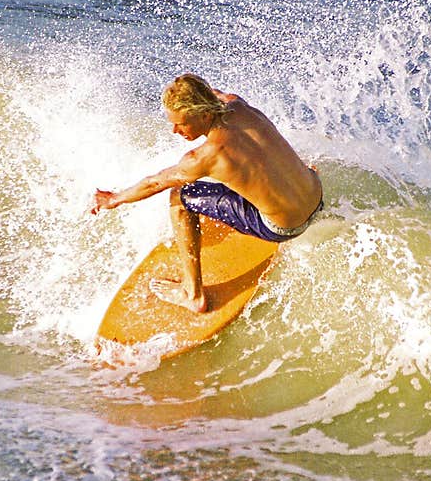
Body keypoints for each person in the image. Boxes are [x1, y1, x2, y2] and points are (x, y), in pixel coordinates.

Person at [91, 73, 323, 313]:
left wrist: (114, 199)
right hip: (316, 197)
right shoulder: (239, 106)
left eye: (182, 123)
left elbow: (154, 183)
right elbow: (208, 91)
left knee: (180, 194)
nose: (174, 130)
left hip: (284, 228)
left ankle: (193, 294)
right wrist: (186, 89)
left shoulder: (204, 157)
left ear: (204, 114)